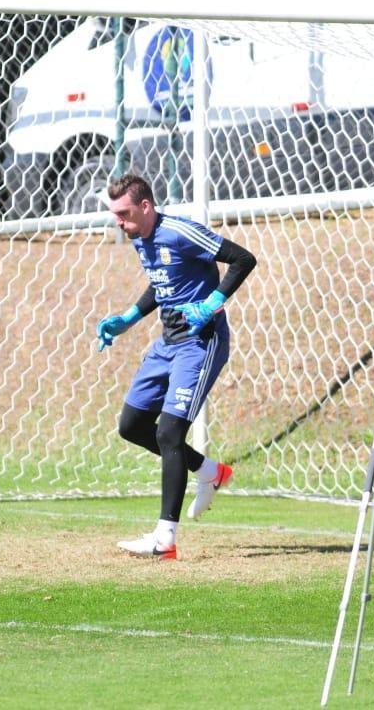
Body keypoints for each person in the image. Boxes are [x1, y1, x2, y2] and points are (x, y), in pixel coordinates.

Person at [97, 174, 257, 559]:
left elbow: (243, 259)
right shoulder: (141, 238)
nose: (118, 221)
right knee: (132, 425)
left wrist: (211, 303)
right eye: (115, 214)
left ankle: (164, 540)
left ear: (146, 206)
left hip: (200, 343)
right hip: (167, 341)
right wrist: (129, 318)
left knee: (169, 432)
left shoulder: (181, 232)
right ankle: (210, 472)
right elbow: (163, 282)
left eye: (124, 213)